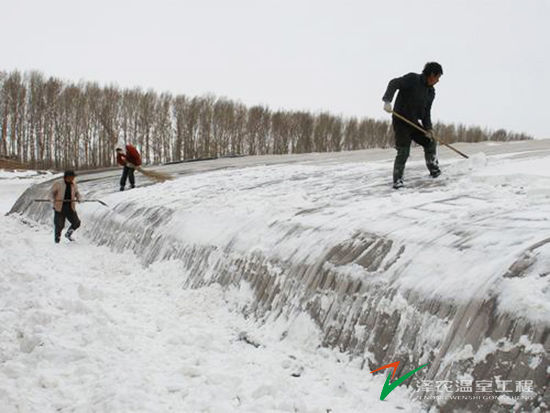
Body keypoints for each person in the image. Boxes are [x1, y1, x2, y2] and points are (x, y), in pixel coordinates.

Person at [382, 62, 443, 189]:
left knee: (430, 141)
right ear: (431, 75)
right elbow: (394, 83)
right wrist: (387, 100)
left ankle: (435, 171)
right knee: (403, 151)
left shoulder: (431, 92)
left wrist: (429, 128)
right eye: (438, 77)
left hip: (414, 123)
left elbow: (426, 112)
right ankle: (398, 181)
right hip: (401, 121)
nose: (438, 81)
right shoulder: (412, 79)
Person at [50, 170, 81, 243]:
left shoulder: (74, 184)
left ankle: (68, 234)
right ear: (67, 177)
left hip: (70, 207)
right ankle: (57, 240)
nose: (73, 178)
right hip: (59, 208)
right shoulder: (58, 183)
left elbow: (77, 193)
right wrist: (52, 200)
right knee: (59, 225)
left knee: (76, 223)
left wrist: (79, 198)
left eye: (74, 177)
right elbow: (51, 193)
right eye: (72, 177)